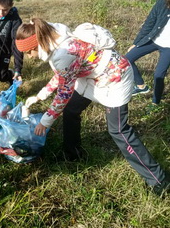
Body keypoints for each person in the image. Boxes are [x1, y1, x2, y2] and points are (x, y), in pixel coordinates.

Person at [15, 18, 169, 195]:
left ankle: (158, 180)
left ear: (37, 44)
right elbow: (62, 75)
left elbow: (64, 93)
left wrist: (45, 121)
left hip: (115, 77)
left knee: (119, 130)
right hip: (93, 77)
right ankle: (73, 154)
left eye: (28, 52)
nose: (29, 57)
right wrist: (40, 95)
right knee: (71, 110)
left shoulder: (62, 53)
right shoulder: (55, 42)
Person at [125, 0, 170, 109]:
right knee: (126, 60)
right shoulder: (162, 3)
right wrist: (136, 42)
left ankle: (155, 103)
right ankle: (141, 86)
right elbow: (149, 24)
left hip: (168, 48)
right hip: (153, 40)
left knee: (158, 75)